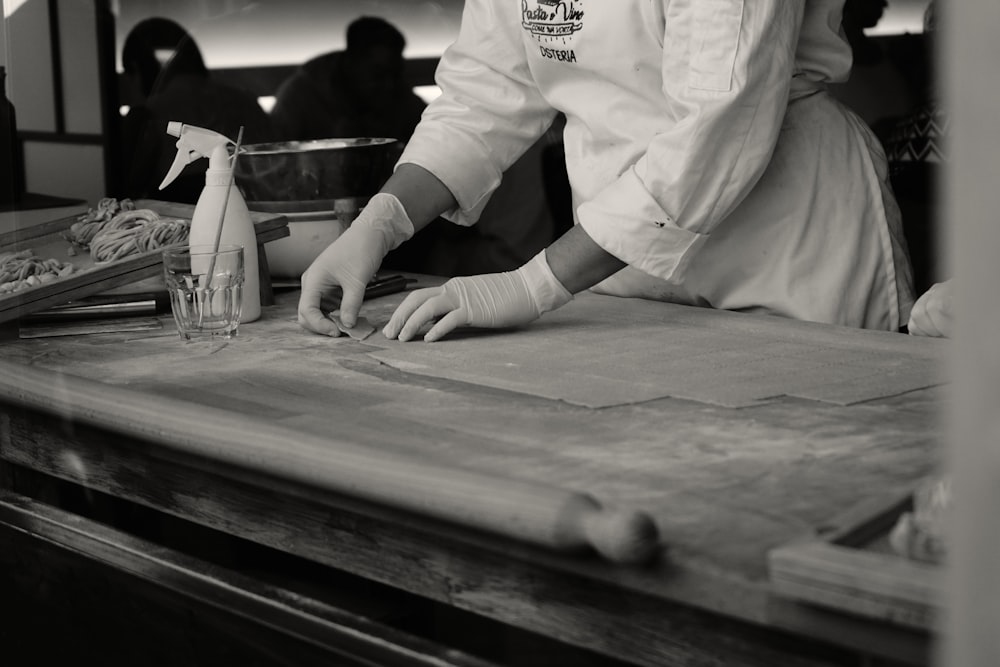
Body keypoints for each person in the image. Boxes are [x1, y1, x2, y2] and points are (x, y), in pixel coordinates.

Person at [298, 0, 915, 343]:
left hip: (786, 235)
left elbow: (719, 126)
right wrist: (381, 222)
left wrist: (532, 285)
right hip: (608, 247)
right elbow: (482, 98)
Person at [119, 18, 273, 203]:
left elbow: (129, 190)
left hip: (183, 221)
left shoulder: (149, 114)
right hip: (261, 206)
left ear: (137, 68)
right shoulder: (245, 100)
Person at [269, 16, 427, 144]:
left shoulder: (399, 92)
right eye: (377, 74)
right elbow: (274, 162)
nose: (389, 84)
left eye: (395, 74)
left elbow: (429, 135)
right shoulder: (299, 95)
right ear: (351, 63)